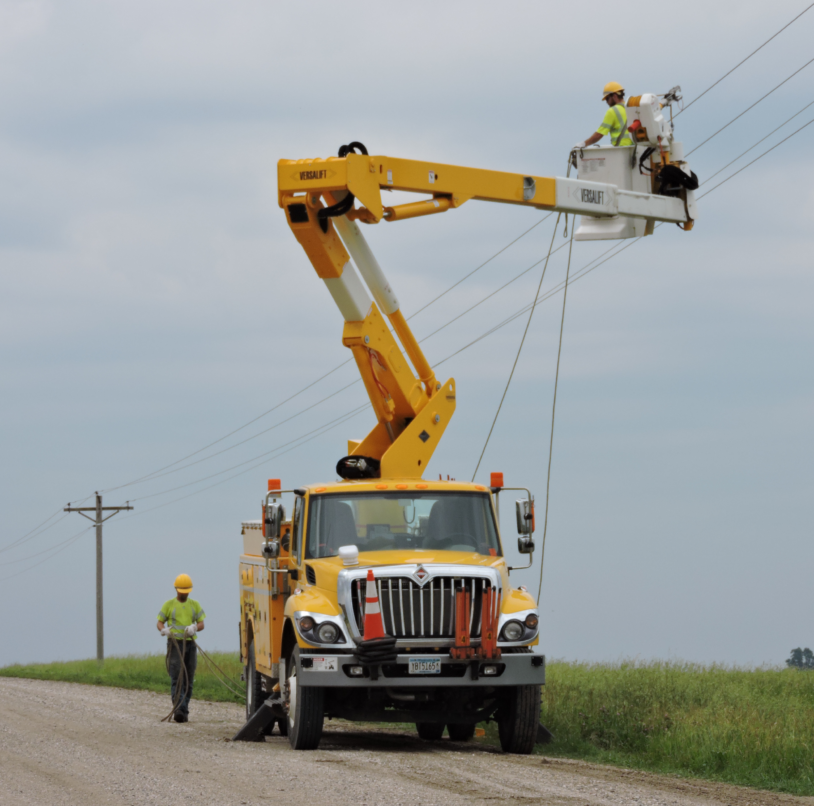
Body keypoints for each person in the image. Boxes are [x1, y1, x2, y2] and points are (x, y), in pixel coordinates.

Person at [157, 573, 206, 723]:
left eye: (186, 591)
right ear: (176, 589)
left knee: (188, 678)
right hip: (175, 645)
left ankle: (184, 710)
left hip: (190, 644)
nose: (184, 594)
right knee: (177, 677)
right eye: (181, 591)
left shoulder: (194, 605)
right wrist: (163, 630)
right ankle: (178, 708)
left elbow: (202, 623)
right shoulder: (168, 605)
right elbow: (159, 622)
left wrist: (194, 628)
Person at [575, 82, 635, 149]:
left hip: (621, 151)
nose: (606, 102)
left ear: (614, 96)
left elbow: (599, 134)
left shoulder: (612, 111)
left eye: (607, 98)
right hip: (634, 150)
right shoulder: (631, 108)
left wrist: (584, 144)